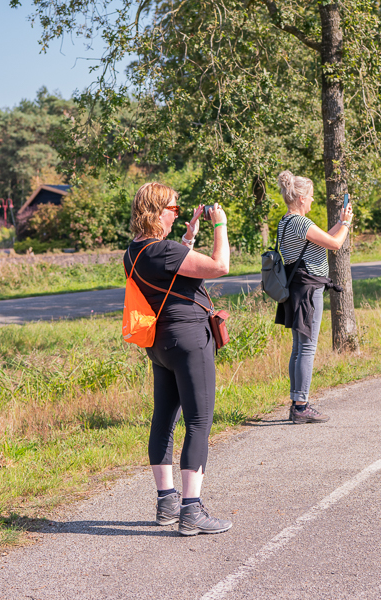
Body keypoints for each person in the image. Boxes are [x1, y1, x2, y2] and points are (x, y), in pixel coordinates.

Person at [123, 182, 232, 535]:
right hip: (189, 340)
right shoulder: (164, 250)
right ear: (156, 212)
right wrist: (220, 225)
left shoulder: (135, 251)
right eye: (173, 209)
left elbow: (170, 271)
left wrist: (187, 239)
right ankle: (191, 510)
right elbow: (219, 266)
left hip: (161, 344)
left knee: (164, 420)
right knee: (198, 422)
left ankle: (167, 502)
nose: (177, 214)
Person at [275, 170, 353, 424]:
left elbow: (323, 240)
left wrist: (340, 221)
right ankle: (301, 406)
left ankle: (297, 402)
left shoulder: (286, 222)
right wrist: (346, 225)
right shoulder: (301, 222)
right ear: (300, 198)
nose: (312, 200)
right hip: (309, 289)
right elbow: (335, 244)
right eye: (310, 196)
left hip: (296, 288)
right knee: (307, 348)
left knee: (299, 347)